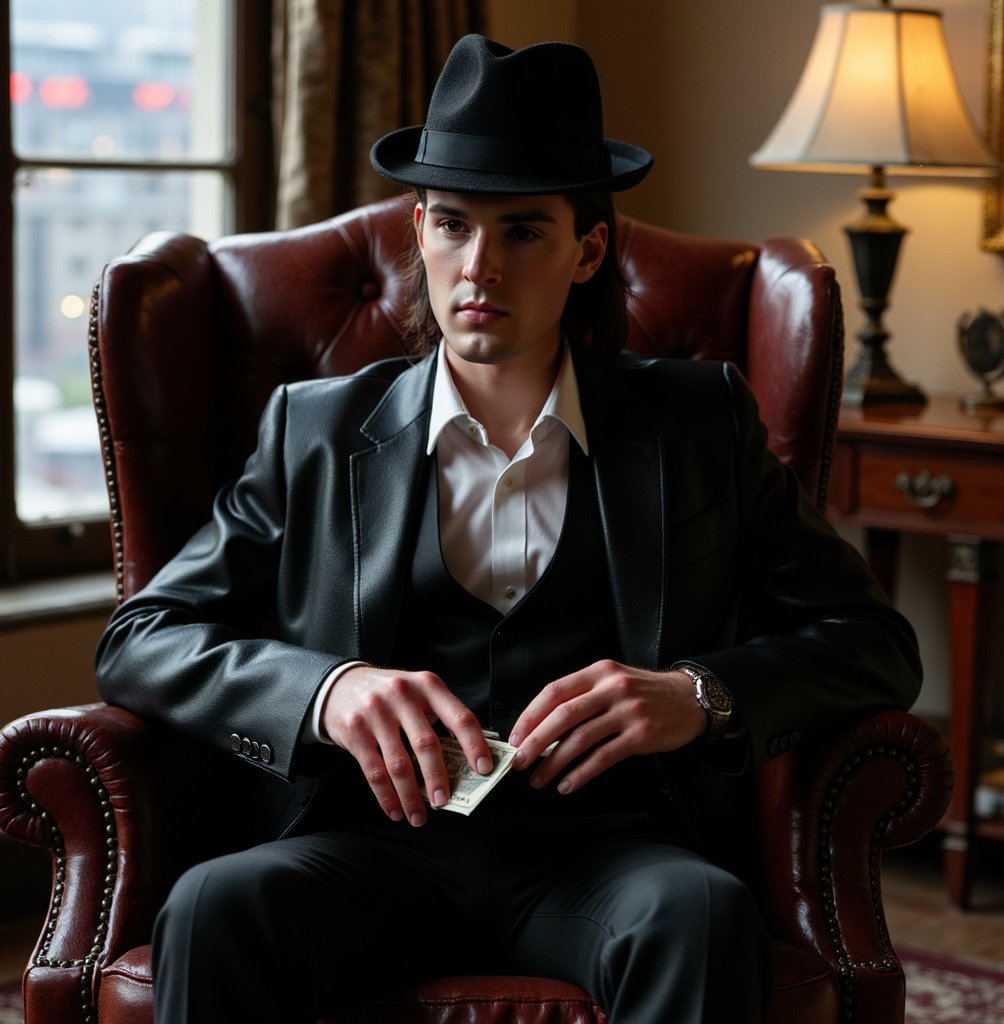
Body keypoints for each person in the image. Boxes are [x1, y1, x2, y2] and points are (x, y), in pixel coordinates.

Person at [94, 33, 922, 1024]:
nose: (477, 266)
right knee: (215, 905)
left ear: (587, 249)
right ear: (419, 231)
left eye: (522, 231)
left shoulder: (700, 424)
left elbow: (874, 643)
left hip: (606, 855)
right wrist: (326, 689)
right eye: (451, 225)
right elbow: (140, 639)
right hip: (369, 847)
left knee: (702, 913)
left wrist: (698, 695)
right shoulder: (315, 430)